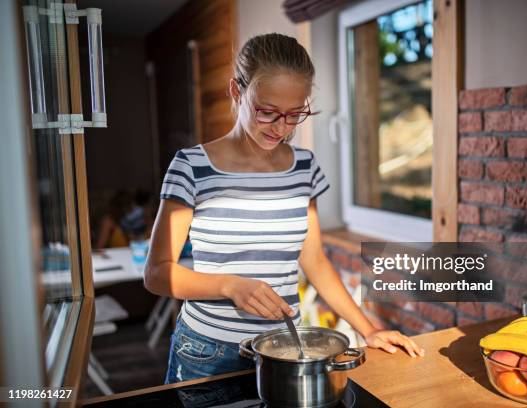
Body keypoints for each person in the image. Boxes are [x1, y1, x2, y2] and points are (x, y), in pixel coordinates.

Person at [144, 33, 425, 384]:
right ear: (237, 92)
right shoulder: (191, 167)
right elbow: (156, 273)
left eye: (295, 114)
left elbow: (315, 261)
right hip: (207, 352)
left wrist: (368, 329)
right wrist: (231, 286)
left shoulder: (303, 167)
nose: (281, 128)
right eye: (268, 112)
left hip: (283, 351)